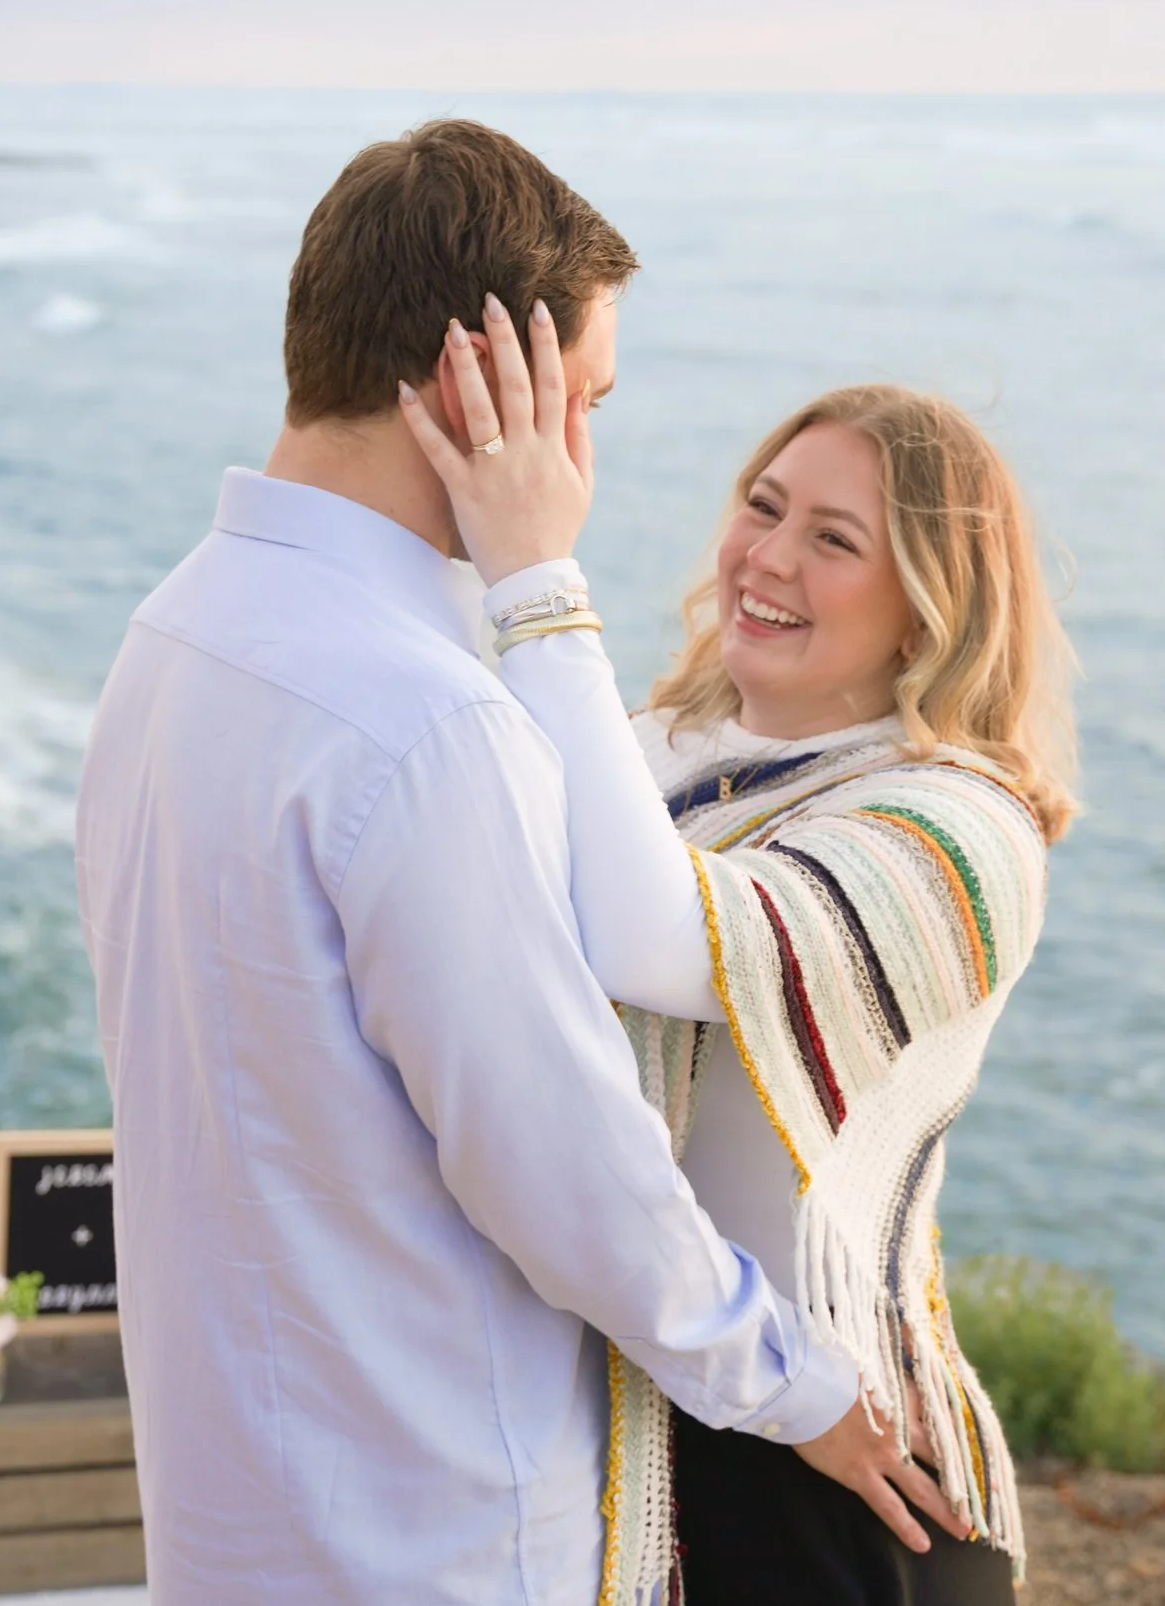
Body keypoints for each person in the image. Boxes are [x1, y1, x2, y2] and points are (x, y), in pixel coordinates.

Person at [74, 120, 958, 1606]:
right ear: (478, 386)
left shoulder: (172, 631)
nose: (588, 453)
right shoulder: (426, 722)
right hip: (428, 1518)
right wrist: (794, 1382)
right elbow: (564, 1167)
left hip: (232, 1499)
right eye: (586, 400)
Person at [401, 326, 1078, 1604]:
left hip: (837, 1473)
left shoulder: (962, 835)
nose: (768, 557)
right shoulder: (664, 745)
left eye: (835, 539)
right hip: (644, 1428)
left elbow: (652, 936)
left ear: (932, 601)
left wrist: (535, 573)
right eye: (763, 507)